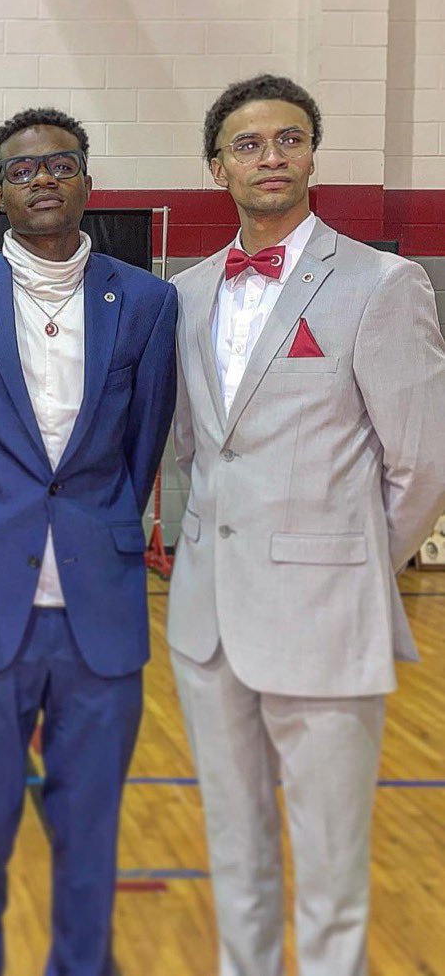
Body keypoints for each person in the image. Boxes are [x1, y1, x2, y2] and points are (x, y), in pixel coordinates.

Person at [169, 73, 445, 976]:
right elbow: (195, 451)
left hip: (326, 619)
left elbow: (423, 467)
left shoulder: (383, 282)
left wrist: (348, 564)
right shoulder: (187, 292)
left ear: (313, 154)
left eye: (289, 139)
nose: (271, 156)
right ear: (218, 169)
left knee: (331, 871)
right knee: (235, 854)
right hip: (209, 623)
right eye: (248, 145)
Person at [0, 108, 177, 976]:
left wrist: (99, 527)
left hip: (98, 609)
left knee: (90, 832)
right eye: (22, 170)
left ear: (87, 182)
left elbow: (143, 445)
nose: (42, 180)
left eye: (59, 165)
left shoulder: (146, 299)